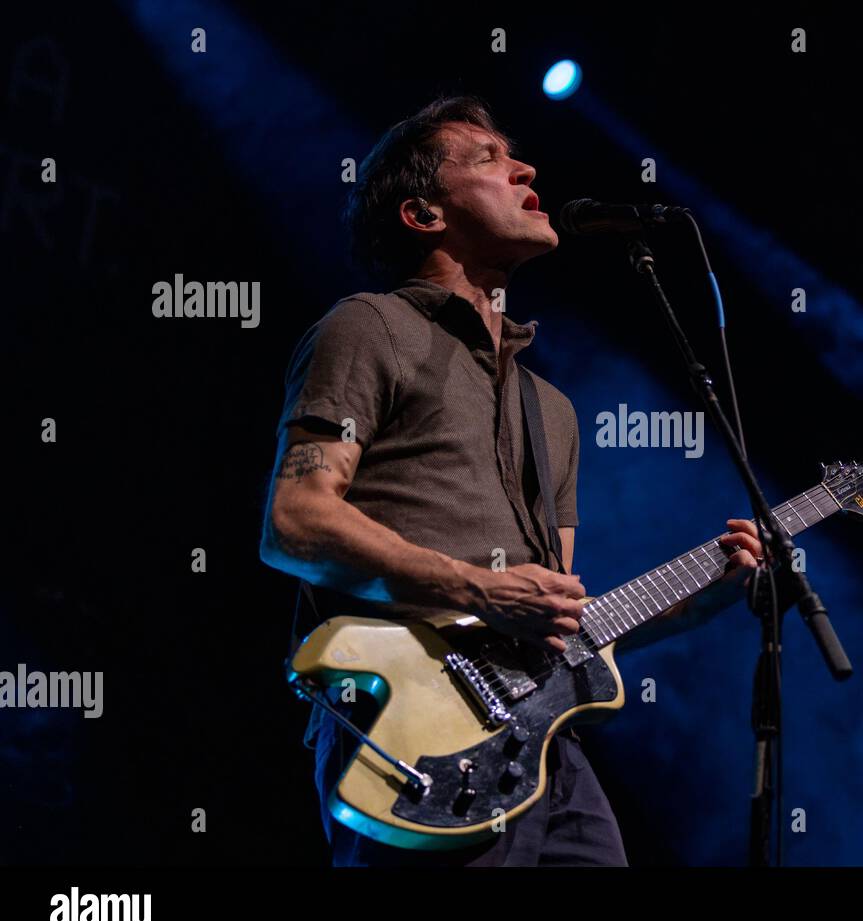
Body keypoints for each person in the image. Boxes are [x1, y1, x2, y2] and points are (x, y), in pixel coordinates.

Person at [259, 95, 763, 866]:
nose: (527, 168)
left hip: (540, 751)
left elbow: (564, 619)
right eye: (490, 159)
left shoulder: (550, 409)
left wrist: (710, 592)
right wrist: (475, 586)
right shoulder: (369, 327)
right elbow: (293, 519)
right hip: (416, 728)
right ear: (424, 214)